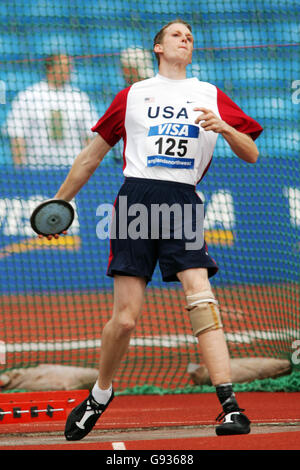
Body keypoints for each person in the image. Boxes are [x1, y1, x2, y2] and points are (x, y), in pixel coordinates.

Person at [46, 19, 263, 440]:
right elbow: (90, 158)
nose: (186, 39)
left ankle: (231, 407)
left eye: (190, 37)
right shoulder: (132, 95)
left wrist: (227, 128)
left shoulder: (210, 94)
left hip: (183, 200)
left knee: (202, 299)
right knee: (125, 320)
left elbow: (251, 152)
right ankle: (100, 394)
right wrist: (60, 202)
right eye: (177, 35)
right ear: (158, 47)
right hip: (136, 200)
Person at [4, 53, 98, 168]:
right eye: (63, 66)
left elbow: (89, 136)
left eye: (69, 66)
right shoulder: (28, 96)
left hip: (72, 169)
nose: (68, 70)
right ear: (50, 68)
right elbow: (17, 136)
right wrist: (20, 170)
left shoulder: (79, 98)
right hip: (37, 170)